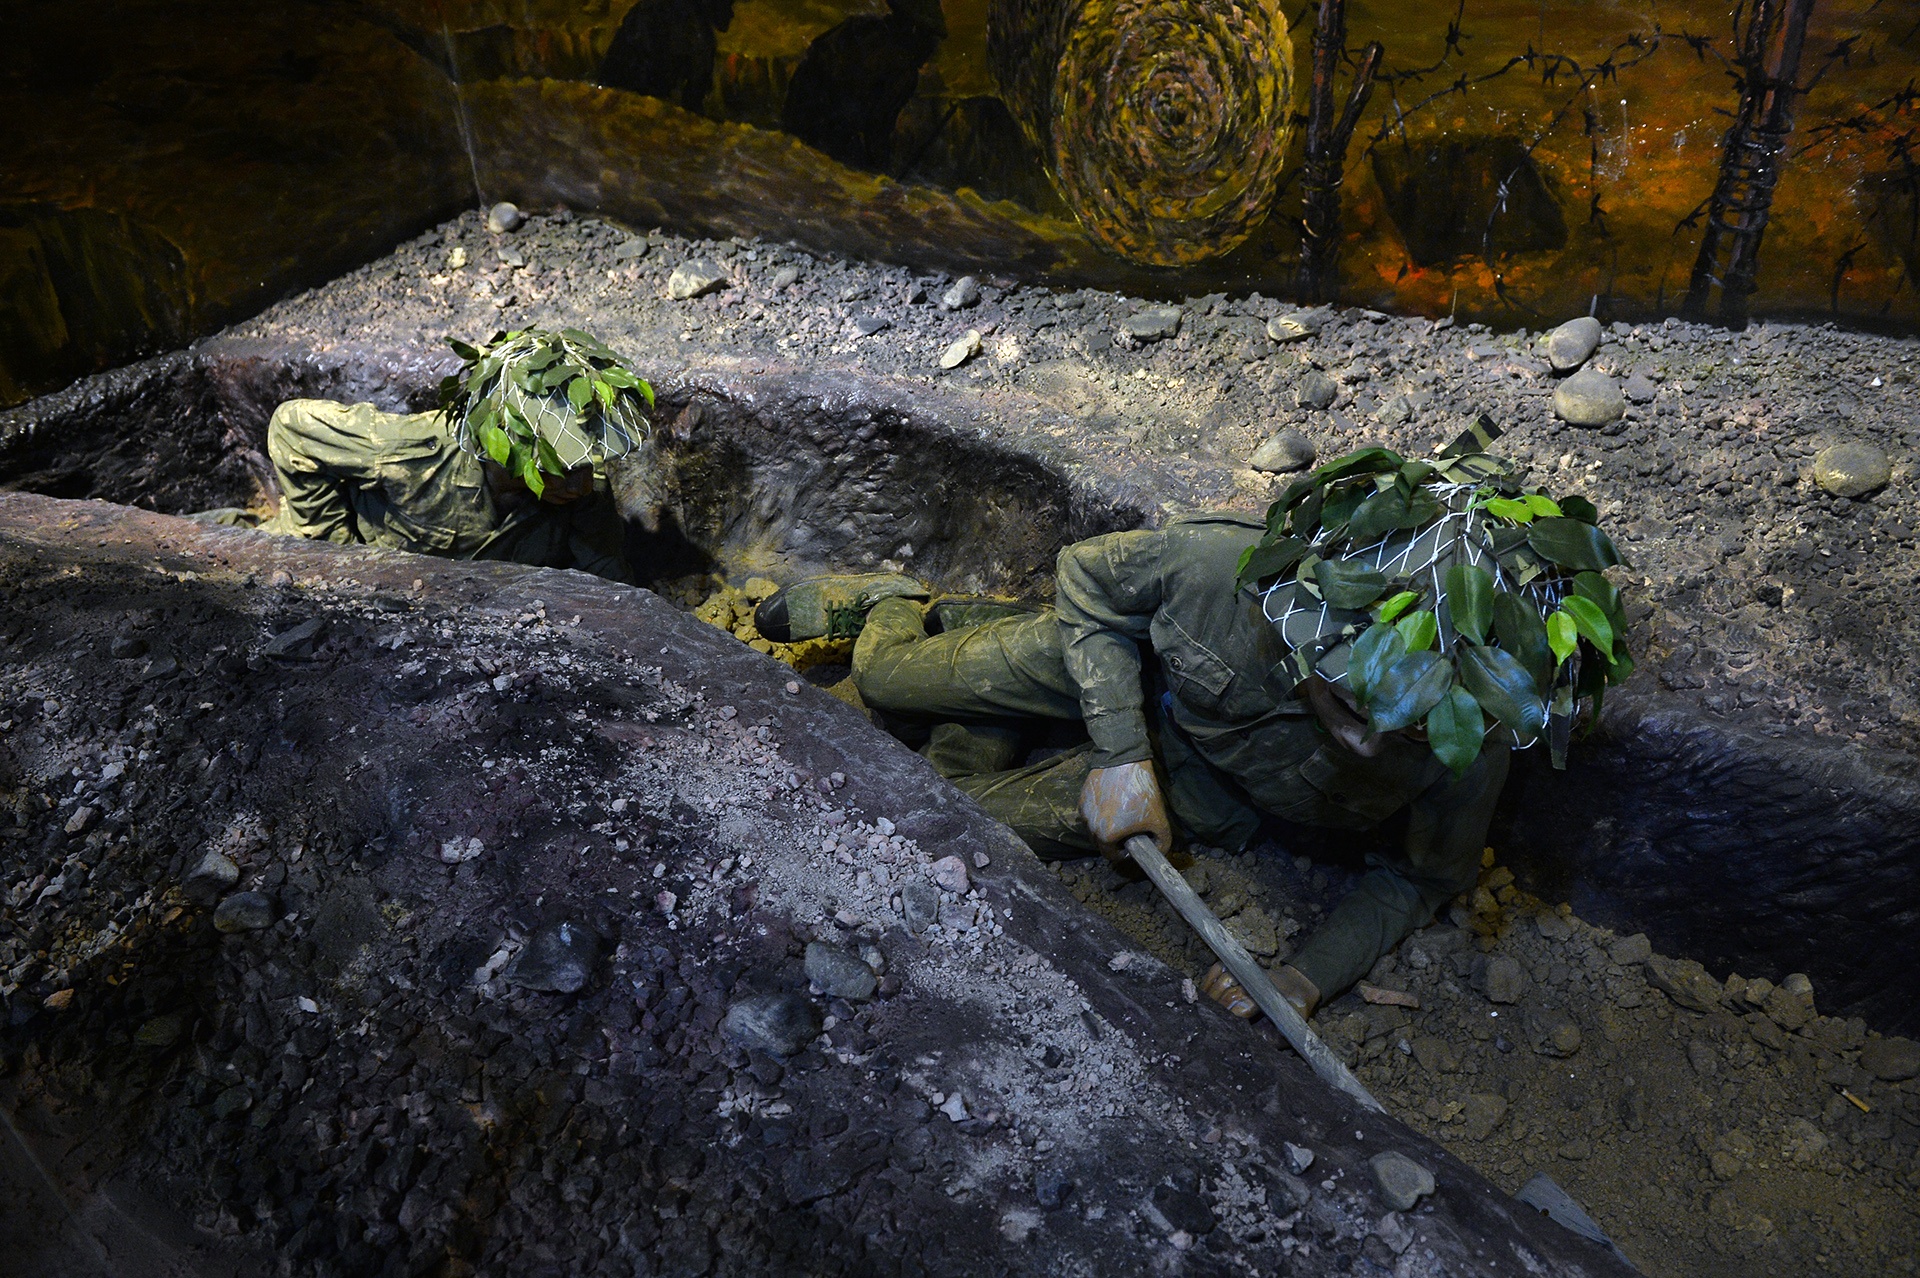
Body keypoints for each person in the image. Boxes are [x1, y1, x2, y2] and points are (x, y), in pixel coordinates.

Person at [756, 437, 1628, 1021]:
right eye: (1354, 706)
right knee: (884, 680)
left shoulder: (1469, 740)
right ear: (1308, 630)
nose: (1367, 744)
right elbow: (1088, 583)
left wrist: (1302, 977)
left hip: (1203, 792)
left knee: (945, 813)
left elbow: (1416, 880)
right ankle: (901, 606)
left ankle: (972, 705)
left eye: (1404, 732)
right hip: (1114, 665)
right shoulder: (1219, 569)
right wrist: (1120, 753)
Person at [201, 328, 656, 584]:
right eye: (557, 467)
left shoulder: (579, 487)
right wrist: (329, 553)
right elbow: (292, 427)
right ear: (503, 450)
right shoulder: (411, 450)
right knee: (204, 552)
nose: (580, 483)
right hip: (289, 565)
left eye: (582, 463)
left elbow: (610, 578)